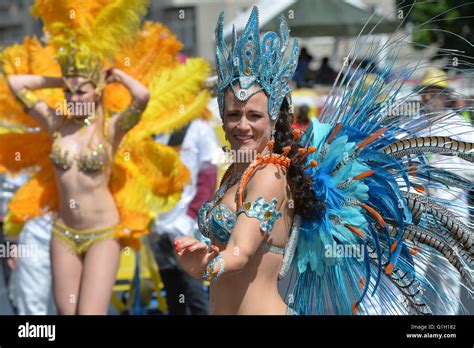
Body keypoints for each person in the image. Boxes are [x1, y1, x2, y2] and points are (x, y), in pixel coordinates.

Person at [176, 6, 473, 315]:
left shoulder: (269, 176)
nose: (243, 125)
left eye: (254, 115)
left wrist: (202, 266)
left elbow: (239, 253)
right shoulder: (235, 174)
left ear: (273, 118)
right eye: (234, 114)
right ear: (222, 119)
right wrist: (201, 256)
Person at [0, 0, 209, 314]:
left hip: (102, 233)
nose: (74, 97)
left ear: (97, 91)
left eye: (82, 90)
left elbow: (142, 97)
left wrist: (115, 75)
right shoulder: (57, 124)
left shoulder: (111, 128)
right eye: (70, 92)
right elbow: (15, 85)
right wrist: (64, 79)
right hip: (63, 232)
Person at [151, 114, 220, 315]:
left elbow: (208, 178)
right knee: (172, 294)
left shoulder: (199, 127)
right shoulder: (154, 127)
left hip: (187, 226)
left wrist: (189, 216)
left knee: (194, 292)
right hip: (159, 224)